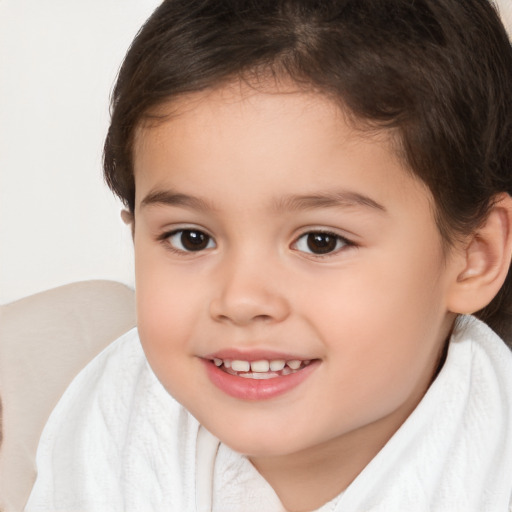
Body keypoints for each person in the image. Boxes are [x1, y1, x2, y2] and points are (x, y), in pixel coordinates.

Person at [25, 0, 512, 510]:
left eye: (320, 241)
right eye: (191, 238)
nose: (240, 299)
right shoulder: (108, 426)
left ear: (475, 256)